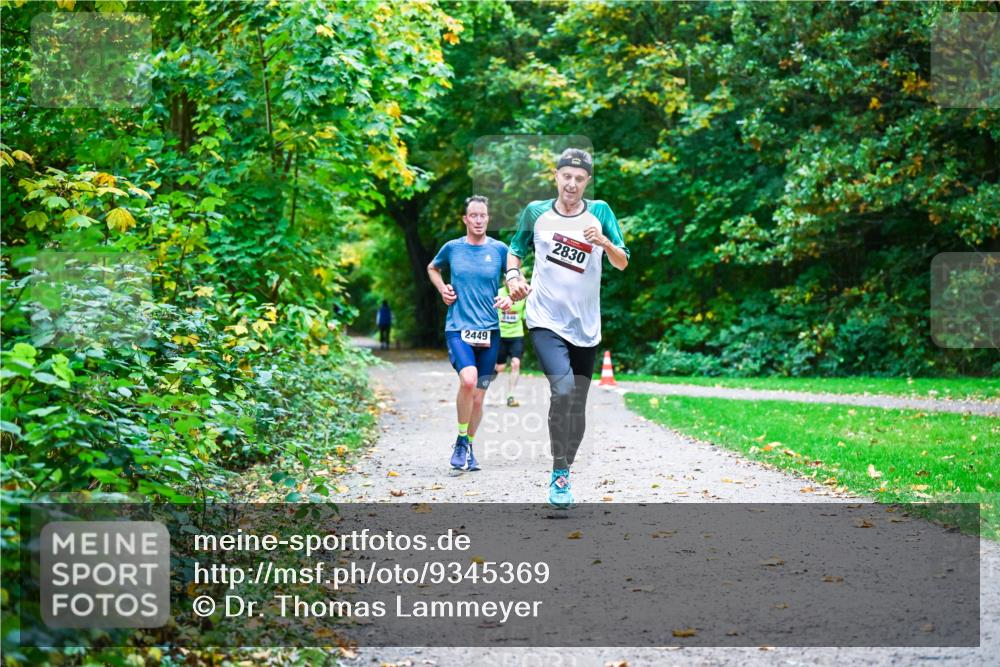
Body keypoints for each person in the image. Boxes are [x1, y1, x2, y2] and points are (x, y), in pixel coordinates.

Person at [505, 148, 629, 508]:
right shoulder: (536, 212)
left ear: (587, 181)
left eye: (579, 178)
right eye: (566, 176)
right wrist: (514, 275)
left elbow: (622, 263)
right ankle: (559, 473)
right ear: (556, 176)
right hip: (544, 319)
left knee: (577, 408)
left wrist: (603, 242)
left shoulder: (601, 212)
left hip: (586, 327)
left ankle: (565, 466)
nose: (572, 183)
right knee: (562, 392)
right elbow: (515, 250)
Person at [427, 195, 513, 471]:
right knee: (468, 381)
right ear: (465, 219)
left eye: (483, 215)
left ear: (488, 218)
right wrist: (443, 289)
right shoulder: (453, 248)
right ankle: (462, 441)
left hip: (490, 331)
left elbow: (517, 281)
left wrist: (510, 297)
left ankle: (468, 444)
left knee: (479, 397)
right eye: (473, 215)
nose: (478, 220)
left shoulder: (500, 250)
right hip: (458, 328)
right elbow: (433, 267)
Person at [494, 282, 526, 407]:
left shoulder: (522, 294)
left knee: (515, 364)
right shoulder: (498, 293)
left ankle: (511, 396)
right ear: (504, 281)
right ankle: (482, 385)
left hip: (517, 335)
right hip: (501, 335)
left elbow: (525, 314)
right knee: (499, 368)